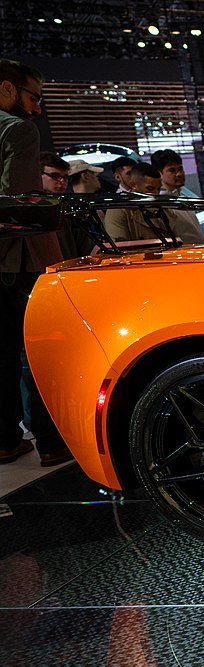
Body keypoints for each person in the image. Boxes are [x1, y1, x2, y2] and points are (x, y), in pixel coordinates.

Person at [0, 58, 69, 467]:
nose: (37, 108)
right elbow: (20, 202)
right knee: (40, 353)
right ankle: (51, 443)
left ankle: (6, 441)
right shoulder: (19, 129)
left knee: (1, 356)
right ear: (8, 89)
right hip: (20, 258)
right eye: (34, 96)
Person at [150, 148, 204, 245]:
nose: (179, 174)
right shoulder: (161, 203)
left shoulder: (182, 197)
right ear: (159, 173)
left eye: (180, 169)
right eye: (172, 170)